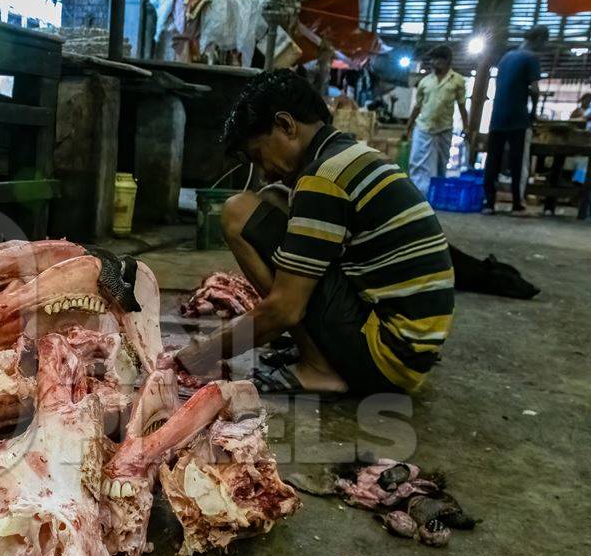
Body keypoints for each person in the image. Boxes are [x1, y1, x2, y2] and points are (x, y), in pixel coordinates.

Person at [168, 70, 455, 396]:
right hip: (408, 353)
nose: (263, 172)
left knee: (238, 210)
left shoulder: (324, 176)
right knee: (273, 200)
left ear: (286, 125)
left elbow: (285, 310)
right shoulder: (349, 155)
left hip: (386, 360)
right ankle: (321, 355)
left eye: (259, 155)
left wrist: (202, 355)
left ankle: (319, 368)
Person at [483, 26, 549, 215]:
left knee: (493, 160)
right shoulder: (531, 57)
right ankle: (517, 205)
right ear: (539, 39)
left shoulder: (506, 57)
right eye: (545, 42)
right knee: (518, 161)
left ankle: (489, 203)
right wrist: (533, 112)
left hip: (496, 117)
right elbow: (535, 89)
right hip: (517, 118)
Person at [406, 45, 470, 196]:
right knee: (417, 161)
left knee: (442, 162)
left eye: (438, 59)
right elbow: (418, 106)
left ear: (447, 61)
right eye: (433, 60)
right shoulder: (425, 82)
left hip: (444, 128)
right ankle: (416, 194)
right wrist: (408, 126)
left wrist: (466, 127)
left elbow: (462, 106)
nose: (434, 63)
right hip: (423, 127)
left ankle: (437, 193)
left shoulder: (458, 81)